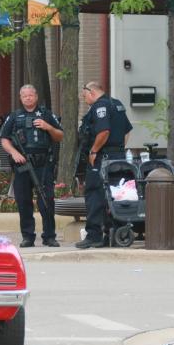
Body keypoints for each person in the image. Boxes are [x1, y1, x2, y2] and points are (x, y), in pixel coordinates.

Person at [0, 85, 64, 248]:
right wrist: (14, 153)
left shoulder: (46, 114)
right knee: (23, 201)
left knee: (46, 200)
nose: (28, 98)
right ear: (20, 98)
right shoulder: (14, 116)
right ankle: (28, 236)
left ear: (36, 96)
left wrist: (48, 127)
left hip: (43, 165)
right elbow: (4, 139)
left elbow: (60, 136)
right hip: (22, 165)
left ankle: (49, 236)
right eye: (24, 96)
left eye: (31, 95)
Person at [75, 81, 133, 249]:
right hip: (117, 158)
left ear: (91, 92)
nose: (84, 99)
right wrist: (119, 150)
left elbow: (104, 131)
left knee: (94, 194)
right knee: (115, 194)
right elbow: (127, 131)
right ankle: (113, 233)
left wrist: (94, 151)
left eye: (84, 95)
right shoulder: (117, 104)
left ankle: (94, 236)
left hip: (102, 158)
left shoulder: (100, 107)